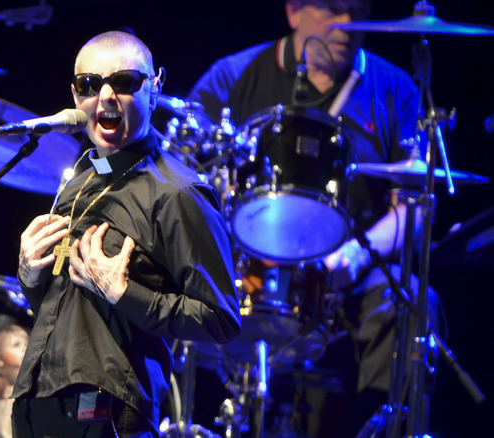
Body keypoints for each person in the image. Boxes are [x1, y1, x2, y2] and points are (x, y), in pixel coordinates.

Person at [188, 0, 442, 436]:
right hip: (243, 270)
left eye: (358, 9)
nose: (347, 24)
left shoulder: (396, 88)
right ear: (293, 11)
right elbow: (181, 169)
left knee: (414, 302)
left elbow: (413, 208)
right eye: (332, 8)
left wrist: (357, 258)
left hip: (349, 271)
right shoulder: (233, 75)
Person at [12, 30, 242, 437]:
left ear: (155, 88)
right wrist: (31, 277)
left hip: (106, 408)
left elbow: (221, 318)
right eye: (89, 85)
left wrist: (125, 293)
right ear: (74, 94)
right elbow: (64, 307)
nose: (105, 96)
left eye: (123, 82)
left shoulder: (178, 193)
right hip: (37, 399)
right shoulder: (79, 179)